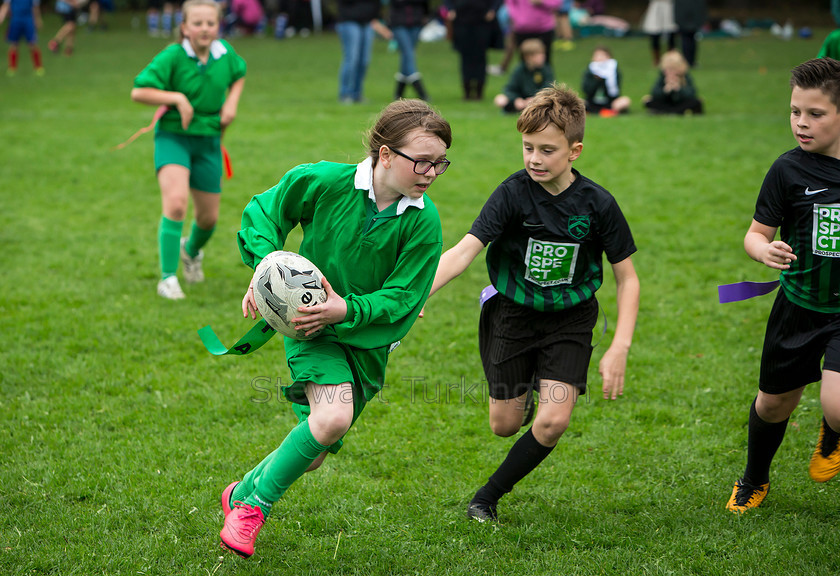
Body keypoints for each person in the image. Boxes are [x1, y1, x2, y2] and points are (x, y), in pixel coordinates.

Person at [218, 99, 452, 558]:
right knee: (332, 418)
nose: (431, 172)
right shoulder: (325, 180)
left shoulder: (424, 221)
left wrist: (345, 309)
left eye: (440, 163)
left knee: (317, 448)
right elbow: (266, 211)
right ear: (385, 154)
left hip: (366, 344)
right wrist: (268, 266)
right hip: (309, 330)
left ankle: (240, 493)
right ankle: (254, 509)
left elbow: (405, 295)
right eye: (421, 161)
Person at [427, 84, 639, 522]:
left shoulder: (598, 204)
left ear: (575, 150)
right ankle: (522, 395)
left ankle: (486, 497)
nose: (534, 159)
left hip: (571, 319)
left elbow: (627, 278)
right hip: (512, 314)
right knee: (503, 425)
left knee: (553, 422)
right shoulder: (511, 193)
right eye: (527, 147)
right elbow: (465, 251)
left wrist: (619, 345)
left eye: (547, 149)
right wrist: (415, 296)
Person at [726, 57, 840, 513]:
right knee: (773, 406)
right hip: (798, 306)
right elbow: (756, 234)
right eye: (795, 111)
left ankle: (832, 427)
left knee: (837, 405)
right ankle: (755, 478)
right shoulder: (788, 170)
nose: (801, 123)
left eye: (815, 114)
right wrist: (763, 251)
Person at [130, 0, 246, 300]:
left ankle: (190, 251)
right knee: (177, 204)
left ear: (218, 26)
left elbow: (239, 75)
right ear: (184, 28)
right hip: (173, 137)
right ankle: (167, 279)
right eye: (197, 23)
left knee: (208, 219)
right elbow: (139, 91)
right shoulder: (173, 56)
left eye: (210, 23)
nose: (204, 29)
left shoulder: (225, 54)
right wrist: (177, 98)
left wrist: (231, 104)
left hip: (209, 142)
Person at [445, 0, 501, 101]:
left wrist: (493, 10)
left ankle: (479, 92)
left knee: (480, 57)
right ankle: (467, 91)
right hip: (462, 22)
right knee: (465, 58)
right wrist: (450, 9)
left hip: (482, 22)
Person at [336, 0, 389, 104]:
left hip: (369, 22)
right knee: (351, 59)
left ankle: (357, 94)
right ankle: (345, 94)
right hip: (349, 21)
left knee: (364, 60)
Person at [493, 38, 553, 114]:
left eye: (543, 53)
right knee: (500, 99)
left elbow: (549, 88)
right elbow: (510, 89)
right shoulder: (519, 69)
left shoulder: (546, 69)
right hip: (521, 100)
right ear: (528, 57)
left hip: (537, 100)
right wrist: (516, 99)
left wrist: (535, 98)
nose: (542, 56)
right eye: (538, 54)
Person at [388, 0, 431, 101]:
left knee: (406, 57)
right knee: (408, 54)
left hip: (416, 23)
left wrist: (425, 16)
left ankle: (398, 93)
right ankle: (421, 92)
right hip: (399, 23)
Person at [642, 49, 702, 115]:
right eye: (668, 69)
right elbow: (655, 93)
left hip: (681, 102)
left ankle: (666, 111)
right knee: (647, 100)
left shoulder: (685, 76)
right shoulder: (662, 77)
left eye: (673, 69)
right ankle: (675, 111)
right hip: (666, 102)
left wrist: (679, 89)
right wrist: (665, 90)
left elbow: (692, 94)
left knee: (697, 101)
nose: (671, 72)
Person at [581, 45, 630, 116]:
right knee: (577, 102)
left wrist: (606, 80)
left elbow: (615, 92)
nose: (600, 58)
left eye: (602, 55)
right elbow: (585, 90)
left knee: (625, 101)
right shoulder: (589, 72)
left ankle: (611, 111)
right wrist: (596, 81)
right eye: (597, 56)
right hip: (592, 101)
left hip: (610, 102)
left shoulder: (614, 71)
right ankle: (589, 110)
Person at [0, 0, 44, 76]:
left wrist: (37, 20)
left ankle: (38, 67)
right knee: (14, 44)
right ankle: (12, 68)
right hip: (15, 19)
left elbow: (35, 8)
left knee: (32, 44)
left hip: (28, 20)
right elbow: (5, 6)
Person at [640, 0, 676, 66]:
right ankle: (656, 60)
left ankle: (671, 59)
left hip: (668, 6)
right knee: (654, 34)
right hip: (656, 8)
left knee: (671, 33)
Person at [673, 0, 705, 68]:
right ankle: (689, 61)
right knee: (688, 39)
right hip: (688, 18)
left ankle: (689, 61)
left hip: (687, 17)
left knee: (688, 39)